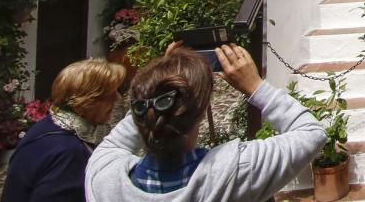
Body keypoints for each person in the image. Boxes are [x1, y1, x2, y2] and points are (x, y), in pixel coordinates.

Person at [85, 43, 325, 200]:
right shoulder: (233, 171)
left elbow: (120, 140)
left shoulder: (103, 177)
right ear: (201, 113)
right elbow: (312, 133)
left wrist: (161, 79)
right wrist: (255, 86)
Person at [1, 58, 125, 202]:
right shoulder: (69, 151)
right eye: (110, 95)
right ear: (85, 103)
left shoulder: (47, 125)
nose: (118, 98)